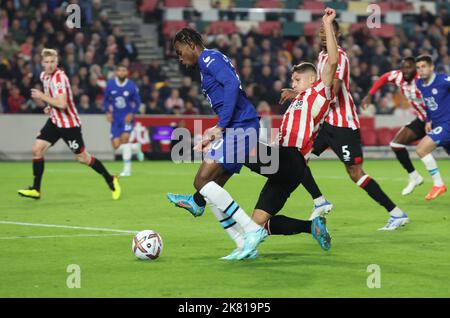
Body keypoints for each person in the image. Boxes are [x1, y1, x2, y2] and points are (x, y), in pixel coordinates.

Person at [280, 20, 408, 230]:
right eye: (321, 30)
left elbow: (333, 88)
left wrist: (298, 94)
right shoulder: (321, 57)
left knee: (355, 172)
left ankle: (396, 213)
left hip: (343, 124)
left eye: (328, 30)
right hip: (327, 123)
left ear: (337, 34)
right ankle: (320, 200)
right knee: (297, 157)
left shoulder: (339, 57)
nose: (323, 34)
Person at [166, 28, 267, 260]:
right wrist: (216, 132)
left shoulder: (208, 58)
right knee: (211, 189)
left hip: (241, 127)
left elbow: (231, 85)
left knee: (201, 181)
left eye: (180, 53)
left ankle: (252, 231)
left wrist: (220, 127)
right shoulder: (208, 63)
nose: (181, 59)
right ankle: (243, 244)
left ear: (191, 44)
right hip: (237, 128)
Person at [18, 48, 120, 200]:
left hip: (69, 125)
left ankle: (110, 179)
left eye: (53, 61)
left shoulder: (59, 78)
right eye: (47, 62)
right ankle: (36, 189)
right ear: (42, 63)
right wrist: (49, 106)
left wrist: (43, 97)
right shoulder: (43, 76)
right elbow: (54, 100)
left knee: (83, 158)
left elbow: (62, 104)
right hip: (54, 121)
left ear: (57, 62)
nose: (50, 65)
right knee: (37, 149)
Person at [361, 57, 432, 195]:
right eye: (403, 67)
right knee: (396, 144)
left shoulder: (422, 80)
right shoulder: (398, 76)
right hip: (422, 120)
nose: (405, 71)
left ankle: (437, 183)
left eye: (409, 67)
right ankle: (414, 176)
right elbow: (384, 78)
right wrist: (370, 94)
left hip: (436, 119)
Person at [415, 55, 449, 200]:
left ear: (431, 67)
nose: (420, 70)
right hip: (437, 124)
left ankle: (438, 184)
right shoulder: (419, 84)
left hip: (447, 124)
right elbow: (428, 103)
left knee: (421, 149)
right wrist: (429, 120)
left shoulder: (443, 80)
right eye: (418, 68)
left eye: (423, 67)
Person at [103, 64, 144, 177]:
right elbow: (106, 100)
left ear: (127, 72)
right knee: (116, 146)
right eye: (119, 70)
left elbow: (138, 102)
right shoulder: (110, 85)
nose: (121, 72)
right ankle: (135, 147)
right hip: (115, 119)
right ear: (116, 72)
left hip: (127, 118)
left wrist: (132, 113)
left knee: (125, 140)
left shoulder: (131, 86)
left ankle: (127, 170)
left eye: (123, 70)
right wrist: (107, 112)